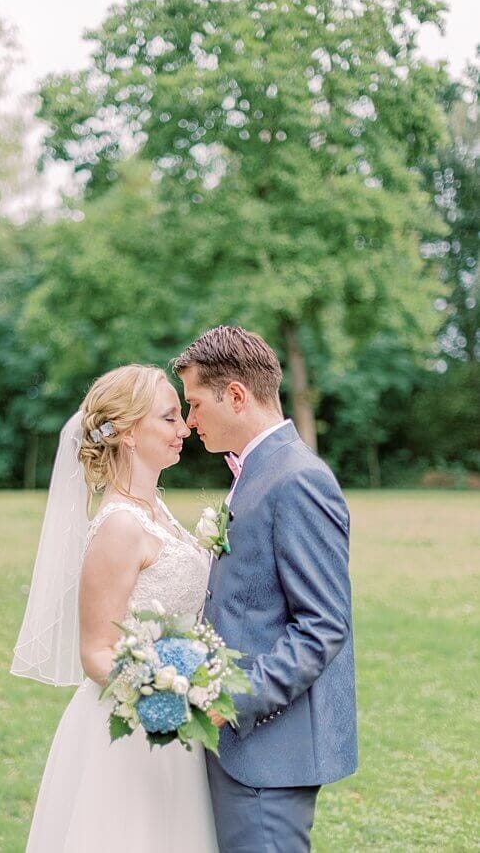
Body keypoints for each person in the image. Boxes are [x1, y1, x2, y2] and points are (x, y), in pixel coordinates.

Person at [11, 364, 219, 851]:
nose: (184, 427)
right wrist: (165, 694)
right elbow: (97, 652)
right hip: (132, 727)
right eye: (169, 418)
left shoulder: (156, 510)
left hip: (174, 719)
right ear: (127, 432)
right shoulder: (119, 527)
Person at [173, 326, 356, 853]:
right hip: (242, 745)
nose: (189, 420)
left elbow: (323, 624)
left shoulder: (297, 478)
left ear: (235, 395)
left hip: (270, 748)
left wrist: (232, 699)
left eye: (195, 403)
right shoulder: (259, 469)